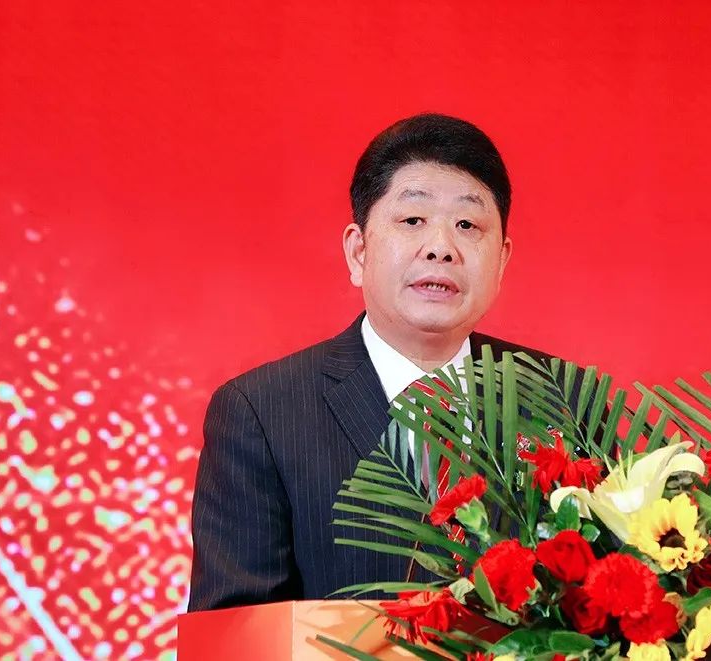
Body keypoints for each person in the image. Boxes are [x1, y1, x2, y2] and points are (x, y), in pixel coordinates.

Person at [188, 113, 583, 611]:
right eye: (413, 220)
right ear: (359, 251)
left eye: (467, 225)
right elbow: (234, 630)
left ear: (501, 260)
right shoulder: (262, 413)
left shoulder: (562, 398)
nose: (441, 248)